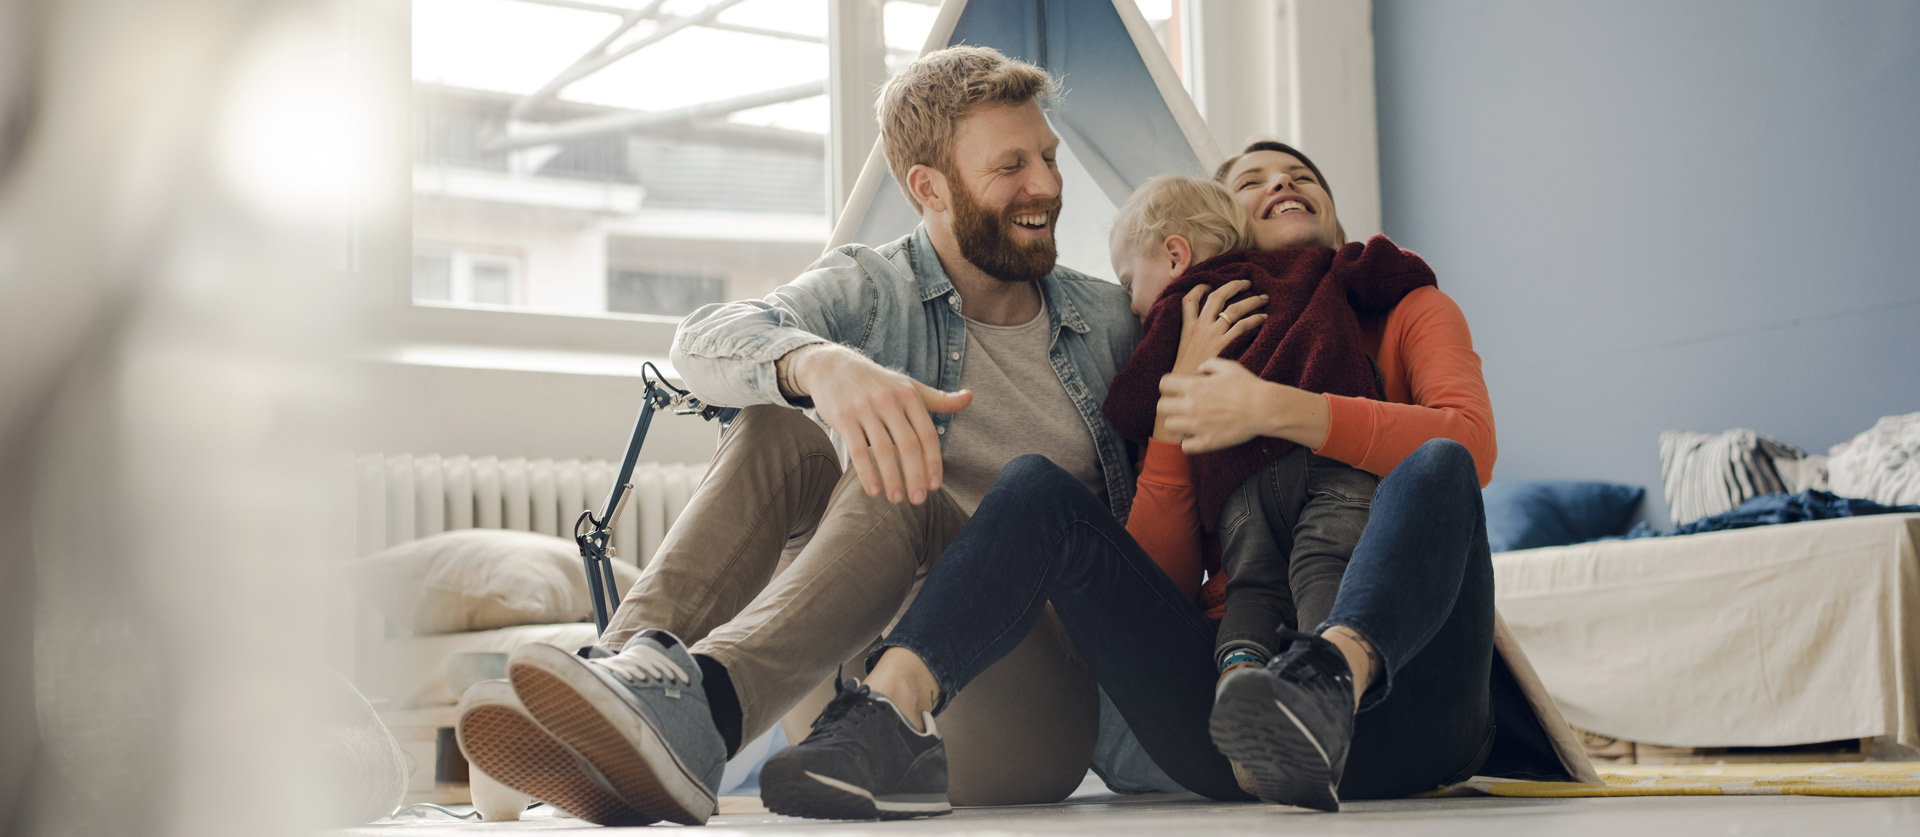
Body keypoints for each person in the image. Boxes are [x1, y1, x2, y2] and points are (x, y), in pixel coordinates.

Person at [760, 140, 1592, 818]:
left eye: (1303, 176)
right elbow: (1155, 578)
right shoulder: (1187, 350)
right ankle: (886, 710)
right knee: (1036, 487)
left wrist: (1271, 406)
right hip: (1235, 718)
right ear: (1214, 232)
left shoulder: (1406, 306)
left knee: (1436, 460)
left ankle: (1326, 678)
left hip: (1409, 709)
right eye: (1253, 180)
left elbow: (1472, 446)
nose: (1283, 182)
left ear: (1336, 221)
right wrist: (1175, 407)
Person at [451, 45, 1141, 826]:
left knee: (903, 484)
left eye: (1048, 156)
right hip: (851, 707)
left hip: (1027, 704)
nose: (1047, 185)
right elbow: (704, 340)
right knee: (776, 429)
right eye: (1011, 165)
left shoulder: (1108, 324)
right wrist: (817, 365)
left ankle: (700, 712)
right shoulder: (876, 289)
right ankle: (613, 688)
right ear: (929, 188)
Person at [1100, 175, 1437, 678]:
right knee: (1327, 562)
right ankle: (1324, 672)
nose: (1131, 304)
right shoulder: (1315, 266)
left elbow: (1131, 405)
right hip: (1331, 462)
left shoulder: (1180, 308)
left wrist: (1144, 407)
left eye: (1130, 284)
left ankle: (1240, 671)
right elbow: (1385, 265)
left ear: (1176, 255)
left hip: (1240, 482)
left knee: (1253, 586)